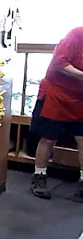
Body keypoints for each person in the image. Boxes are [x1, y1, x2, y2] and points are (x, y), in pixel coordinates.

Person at [29, 26, 83, 200]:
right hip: (57, 93)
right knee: (48, 137)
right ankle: (39, 176)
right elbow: (60, 63)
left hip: (80, 97)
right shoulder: (76, 35)